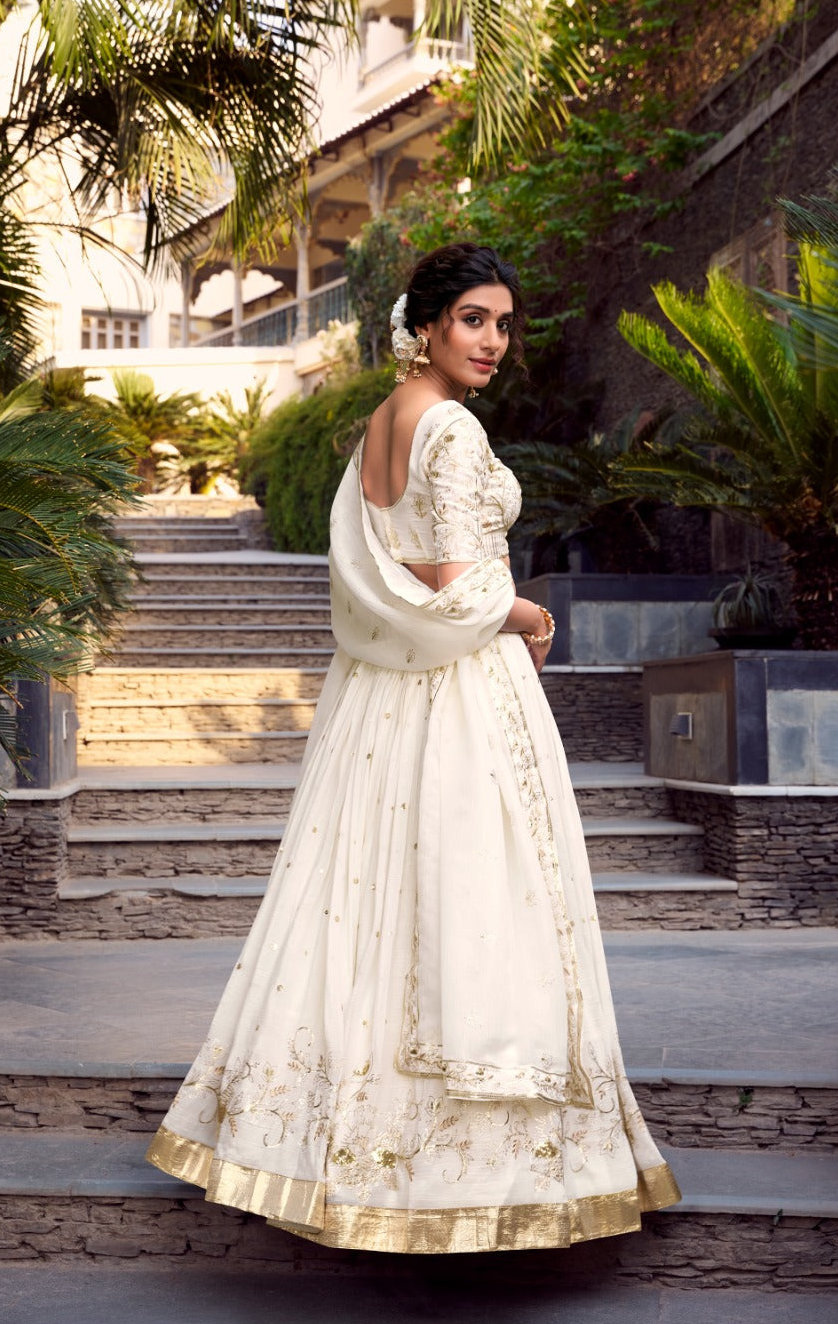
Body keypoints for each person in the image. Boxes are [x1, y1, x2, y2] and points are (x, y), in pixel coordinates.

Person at [147, 242, 680, 1253]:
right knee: (479, 901)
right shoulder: (449, 428)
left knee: (371, 908)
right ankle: (465, 1179)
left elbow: (391, 569)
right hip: (457, 693)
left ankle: (324, 1141)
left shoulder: (384, 420)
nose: (492, 340)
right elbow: (448, 581)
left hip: (384, 697)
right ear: (426, 323)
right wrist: (524, 610)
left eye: (502, 322)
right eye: (473, 319)